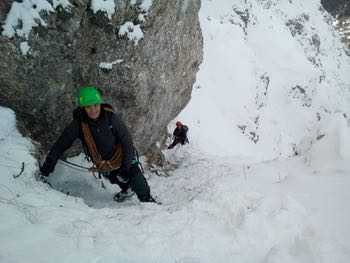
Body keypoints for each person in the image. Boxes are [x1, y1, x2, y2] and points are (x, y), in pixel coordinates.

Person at [40, 86, 155, 203]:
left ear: (100, 104)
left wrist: (125, 167)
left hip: (121, 154)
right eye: (88, 107)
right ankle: (127, 189)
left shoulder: (111, 118)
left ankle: (147, 200)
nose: (93, 110)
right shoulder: (79, 124)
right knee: (113, 177)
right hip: (102, 161)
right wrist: (47, 167)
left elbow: (126, 141)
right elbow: (61, 144)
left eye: (95, 105)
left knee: (134, 175)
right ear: (83, 108)